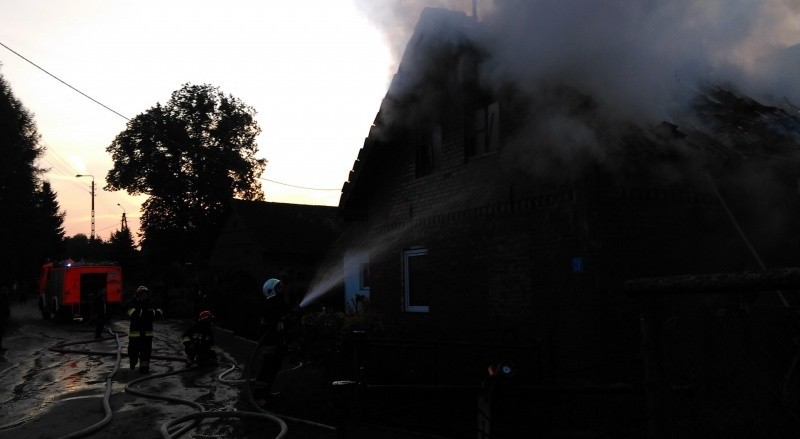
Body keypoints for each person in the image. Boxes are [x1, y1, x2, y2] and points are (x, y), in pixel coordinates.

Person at [254, 278, 290, 405]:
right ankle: (260, 396)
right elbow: (275, 323)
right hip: (272, 343)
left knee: (272, 367)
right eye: (279, 287)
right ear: (273, 290)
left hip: (273, 341)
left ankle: (263, 394)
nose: (283, 288)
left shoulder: (272, 303)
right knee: (269, 368)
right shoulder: (274, 304)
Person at [127, 286, 163, 373]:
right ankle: (133, 361)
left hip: (147, 335)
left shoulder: (151, 303)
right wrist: (148, 313)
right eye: (141, 294)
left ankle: (144, 368)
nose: (143, 295)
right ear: (137, 295)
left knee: (146, 353)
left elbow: (160, 311)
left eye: (145, 294)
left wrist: (150, 313)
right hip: (135, 335)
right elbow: (131, 313)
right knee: (133, 351)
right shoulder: (133, 303)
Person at [0, 286, 10, 351]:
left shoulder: (5, 298)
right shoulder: (2, 298)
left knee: (1, 332)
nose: (7, 292)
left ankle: (0, 346)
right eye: (6, 291)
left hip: (3, 317)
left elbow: (6, 308)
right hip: (1, 317)